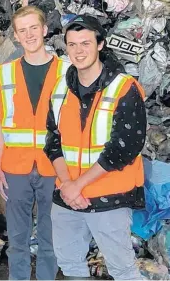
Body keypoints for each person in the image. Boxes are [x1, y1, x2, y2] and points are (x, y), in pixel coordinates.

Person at [44, 15, 146, 280]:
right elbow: (53, 142)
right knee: (70, 267)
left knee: (123, 270)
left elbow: (124, 147)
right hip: (66, 198)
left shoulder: (123, 88)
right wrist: (68, 185)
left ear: (100, 45)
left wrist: (77, 186)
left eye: (85, 43)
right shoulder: (60, 89)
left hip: (109, 197)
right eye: (73, 44)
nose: (79, 51)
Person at [0, 6, 70, 280]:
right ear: (15, 36)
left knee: (51, 238)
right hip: (15, 166)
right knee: (18, 239)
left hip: (56, 166)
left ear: (45, 30)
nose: (29, 34)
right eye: (22, 30)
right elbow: (0, 124)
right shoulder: (2, 74)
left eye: (33, 28)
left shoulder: (68, 71)